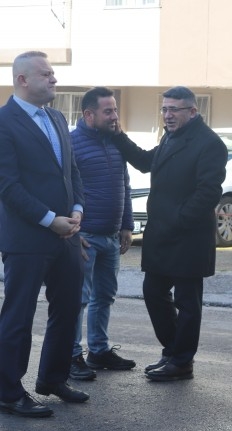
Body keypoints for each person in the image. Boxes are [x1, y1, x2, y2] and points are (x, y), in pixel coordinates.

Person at [111, 86, 227, 382]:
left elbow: (209, 191)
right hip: (162, 234)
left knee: (188, 302)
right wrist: (118, 136)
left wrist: (179, 219)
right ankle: (174, 351)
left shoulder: (208, 143)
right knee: (153, 291)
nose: (167, 115)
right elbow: (145, 162)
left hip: (188, 236)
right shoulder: (170, 136)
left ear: (192, 111)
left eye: (174, 109)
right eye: (164, 109)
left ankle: (181, 361)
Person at [0, 51, 90, 418]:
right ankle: (7, 391)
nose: (54, 80)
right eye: (46, 74)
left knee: (68, 308)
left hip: (66, 235)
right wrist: (49, 219)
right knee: (18, 316)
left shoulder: (56, 117)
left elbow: (72, 172)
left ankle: (53, 378)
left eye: (53, 73)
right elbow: (7, 185)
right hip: (27, 238)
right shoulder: (4, 122)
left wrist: (78, 211)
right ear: (22, 80)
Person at [68, 87, 136, 382]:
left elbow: (126, 185)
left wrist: (127, 225)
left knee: (104, 297)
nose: (114, 116)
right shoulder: (71, 144)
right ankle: (71, 356)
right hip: (84, 236)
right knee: (78, 299)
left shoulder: (116, 142)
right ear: (88, 114)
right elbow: (64, 190)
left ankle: (98, 351)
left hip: (111, 236)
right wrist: (72, 231)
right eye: (108, 111)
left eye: (115, 110)